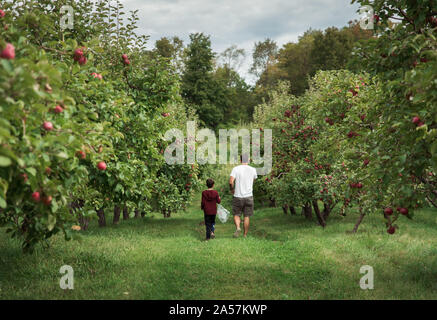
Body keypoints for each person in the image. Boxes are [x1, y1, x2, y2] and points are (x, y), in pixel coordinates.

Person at [229, 154, 257, 238]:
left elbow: (231, 181)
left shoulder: (236, 169)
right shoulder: (253, 169)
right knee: (246, 216)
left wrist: (232, 189)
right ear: (248, 160)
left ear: (240, 160)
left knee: (236, 214)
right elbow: (254, 180)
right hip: (249, 196)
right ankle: (245, 235)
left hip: (238, 196)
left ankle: (238, 227)